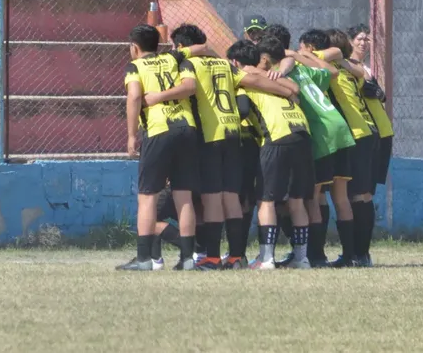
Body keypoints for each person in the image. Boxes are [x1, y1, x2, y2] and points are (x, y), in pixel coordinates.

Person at [145, 24, 299, 270]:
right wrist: (287, 90)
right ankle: (237, 256)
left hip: (210, 135)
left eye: (176, 46)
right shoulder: (225, 65)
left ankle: (212, 258)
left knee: (212, 199)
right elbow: (253, 80)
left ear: (182, 47)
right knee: (231, 197)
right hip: (233, 134)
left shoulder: (188, 65)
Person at [118, 24, 199, 272]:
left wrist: (132, 135)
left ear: (134, 47)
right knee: (183, 196)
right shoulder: (174, 59)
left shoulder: (135, 66)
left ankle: (145, 259)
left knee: (147, 197)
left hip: (158, 130)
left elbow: (134, 97)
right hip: (187, 128)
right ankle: (187, 259)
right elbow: (192, 80)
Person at [227, 38, 309, 270]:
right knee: (296, 199)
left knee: (266, 200)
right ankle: (301, 258)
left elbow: (242, 110)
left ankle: (266, 258)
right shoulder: (275, 78)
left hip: (276, 136)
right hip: (301, 133)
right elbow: (294, 89)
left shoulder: (244, 83)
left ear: (235, 62)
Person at [293, 28, 358, 266]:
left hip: (322, 134)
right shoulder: (313, 70)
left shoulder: (293, 70)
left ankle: (316, 256)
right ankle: (350, 256)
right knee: (340, 197)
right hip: (341, 128)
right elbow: (332, 72)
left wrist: (297, 56)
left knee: (313, 196)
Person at [318, 28, 378, 267]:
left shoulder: (333, 70)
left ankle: (356, 254)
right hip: (367, 131)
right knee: (360, 195)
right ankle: (358, 254)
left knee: (357, 195)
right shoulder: (351, 68)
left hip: (356, 133)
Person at [349, 24, 395, 197]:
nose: (364, 42)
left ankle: (364, 223)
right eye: (360, 39)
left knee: (368, 190)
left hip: (381, 130)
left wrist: (379, 93)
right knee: (358, 190)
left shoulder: (366, 69)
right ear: (350, 42)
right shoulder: (348, 66)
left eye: (367, 39)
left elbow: (381, 97)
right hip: (365, 130)